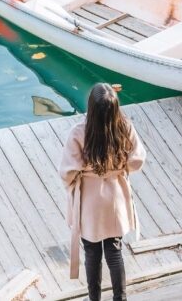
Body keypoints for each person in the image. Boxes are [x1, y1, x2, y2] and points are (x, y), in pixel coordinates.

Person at [59, 83, 146, 301]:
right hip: (115, 194)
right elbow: (137, 159)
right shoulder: (124, 127)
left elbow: (67, 172)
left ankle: (94, 299)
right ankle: (120, 298)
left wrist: (82, 175)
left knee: (92, 252)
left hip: (89, 198)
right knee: (114, 251)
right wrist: (119, 168)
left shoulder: (79, 132)